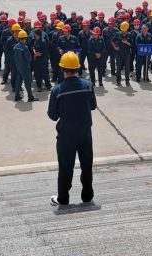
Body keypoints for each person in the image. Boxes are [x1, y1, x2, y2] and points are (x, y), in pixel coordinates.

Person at [47, 51, 97, 206]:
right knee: (86, 165)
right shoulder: (88, 86)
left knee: (65, 167)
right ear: (78, 68)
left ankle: (63, 198)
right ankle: (87, 196)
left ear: (62, 69)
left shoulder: (57, 90)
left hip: (66, 135)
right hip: (85, 134)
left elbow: (53, 116)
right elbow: (93, 106)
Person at [13, 30, 38, 102]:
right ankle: (30, 97)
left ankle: (17, 96)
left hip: (18, 66)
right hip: (25, 67)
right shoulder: (25, 47)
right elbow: (29, 58)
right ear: (25, 38)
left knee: (18, 81)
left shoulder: (15, 47)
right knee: (27, 83)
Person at [111, 21, 132, 86]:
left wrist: (126, 42)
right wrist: (115, 47)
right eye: (123, 30)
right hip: (119, 54)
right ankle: (118, 81)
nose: (123, 31)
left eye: (124, 30)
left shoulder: (130, 34)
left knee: (127, 69)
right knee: (118, 68)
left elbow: (131, 45)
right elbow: (112, 40)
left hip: (127, 54)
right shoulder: (118, 34)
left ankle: (127, 81)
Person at [31, 27, 51, 92]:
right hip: (36, 61)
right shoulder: (35, 40)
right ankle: (39, 86)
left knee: (45, 74)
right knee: (37, 75)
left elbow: (40, 53)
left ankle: (48, 86)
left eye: (34, 33)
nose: (34, 34)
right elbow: (33, 47)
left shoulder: (43, 41)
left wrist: (35, 54)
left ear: (37, 34)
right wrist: (34, 52)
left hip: (42, 61)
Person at [4, 23, 21, 90]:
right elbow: (6, 52)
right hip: (12, 61)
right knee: (14, 74)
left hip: (20, 60)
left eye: (18, 31)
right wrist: (8, 61)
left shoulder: (21, 39)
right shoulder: (9, 41)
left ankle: (19, 86)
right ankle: (14, 86)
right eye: (16, 31)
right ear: (13, 31)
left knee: (20, 73)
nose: (18, 32)